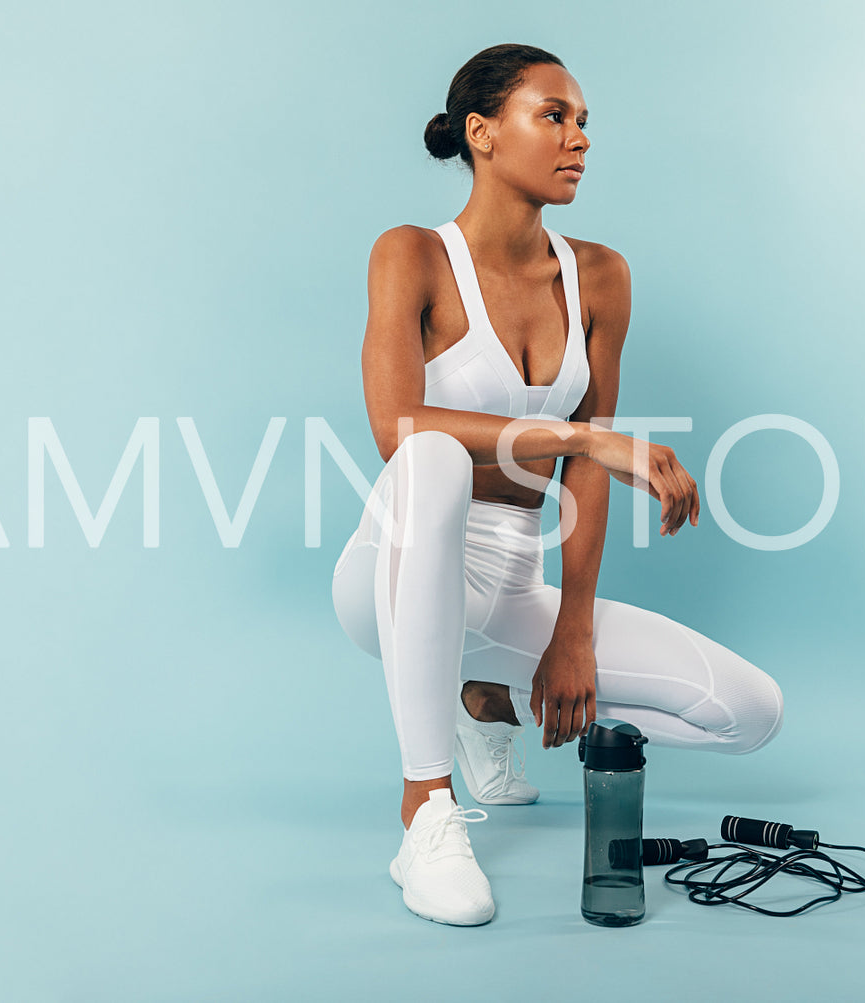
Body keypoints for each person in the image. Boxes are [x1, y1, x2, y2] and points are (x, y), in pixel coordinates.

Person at [331, 43, 784, 927]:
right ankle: (424, 805)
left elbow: (586, 469)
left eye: (583, 122)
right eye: (553, 116)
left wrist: (572, 628)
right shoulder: (413, 254)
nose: (578, 138)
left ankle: (477, 695)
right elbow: (397, 426)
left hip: (508, 584)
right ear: (482, 133)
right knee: (432, 455)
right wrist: (583, 432)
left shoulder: (600, 276)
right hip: (387, 568)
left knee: (749, 711)